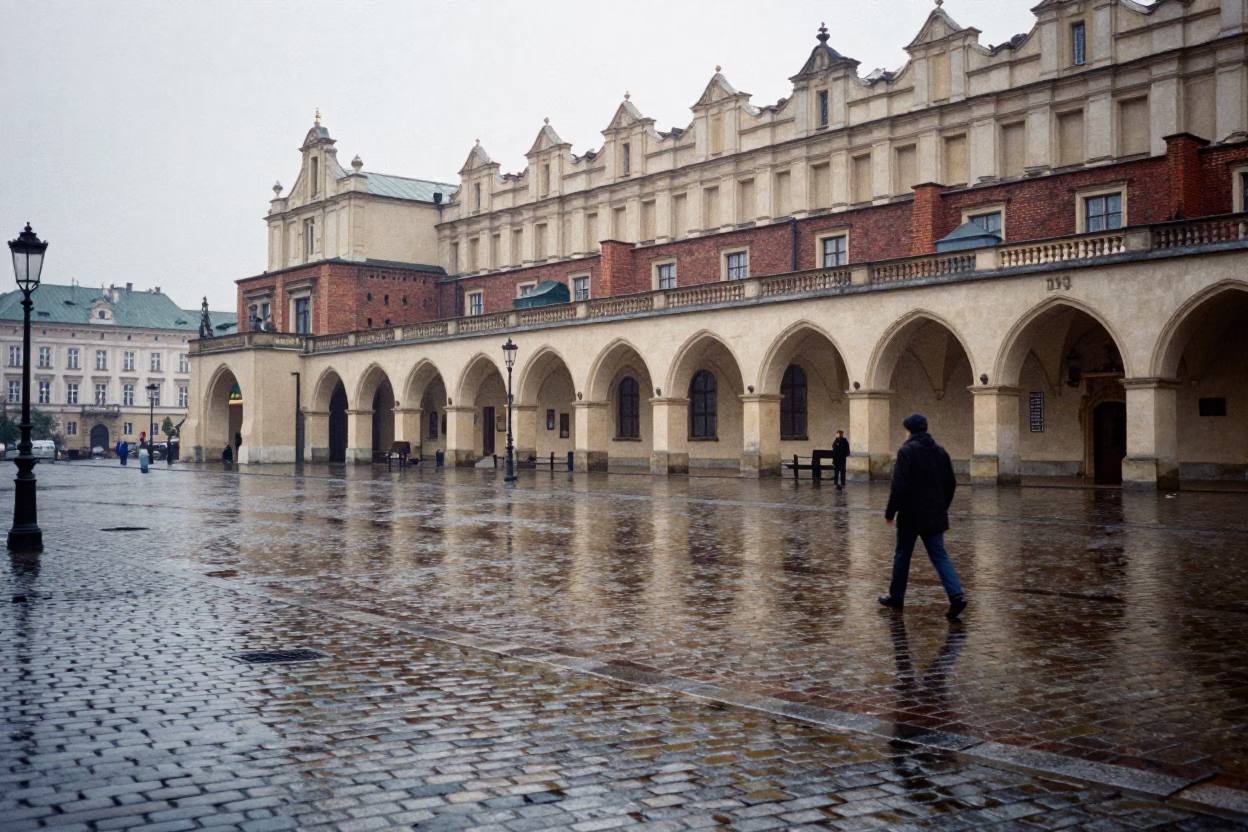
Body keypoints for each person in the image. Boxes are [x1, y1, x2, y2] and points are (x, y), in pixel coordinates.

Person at [879, 413, 967, 620]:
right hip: (934, 515)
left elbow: (898, 486)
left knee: (902, 556)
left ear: (908, 430)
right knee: (940, 556)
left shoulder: (906, 451)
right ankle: (956, 596)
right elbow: (951, 483)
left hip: (910, 516)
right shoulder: (940, 452)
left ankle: (896, 598)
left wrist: (890, 512)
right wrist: (941, 506)